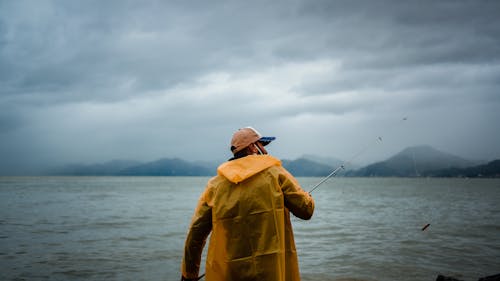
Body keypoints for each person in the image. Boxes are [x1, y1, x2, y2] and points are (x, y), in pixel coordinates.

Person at [180, 127, 314, 281]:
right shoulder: (276, 173)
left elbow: (196, 233)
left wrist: (189, 274)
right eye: (262, 144)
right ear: (252, 147)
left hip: (230, 272)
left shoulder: (215, 185)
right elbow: (306, 210)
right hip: (272, 272)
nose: (265, 150)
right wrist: (306, 197)